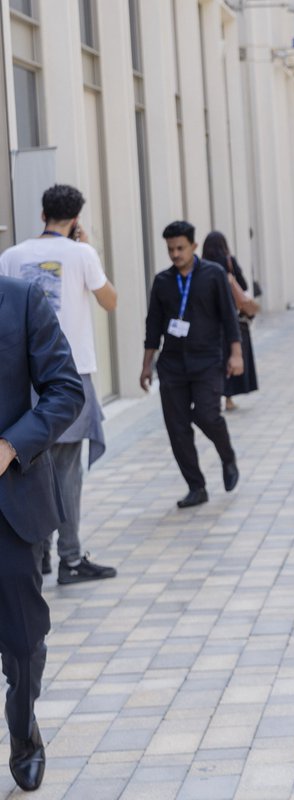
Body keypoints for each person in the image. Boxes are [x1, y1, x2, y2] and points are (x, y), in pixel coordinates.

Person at [0, 183, 118, 585]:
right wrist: (84, 247)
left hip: (19, 379)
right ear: (76, 218)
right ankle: (70, 557)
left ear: (42, 215)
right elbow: (110, 301)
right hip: (69, 373)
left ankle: (40, 553)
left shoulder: (11, 256)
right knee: (66, 472)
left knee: (26, 469)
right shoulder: (81, 252)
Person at [0, 275, 85, 791]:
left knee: (24, 639)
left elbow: (65, 389)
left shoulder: (21, 299)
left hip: (11, 499)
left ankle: (23, 730)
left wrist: (11, 445)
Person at [141, 221, 243, 509]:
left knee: (208, 415)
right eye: (170, 249)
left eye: (180, 248)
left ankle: (227, 456)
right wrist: (147, 365)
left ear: (194, 247)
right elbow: (153, 327)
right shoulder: (162, 281)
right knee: (177, 427)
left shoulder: (214, 275)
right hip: (172, 365)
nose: (175, 254)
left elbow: (228, 317)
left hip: (207, 360)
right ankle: (196, 487)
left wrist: (236, 354)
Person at [202, 232, 260, 410]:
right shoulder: (229, 261)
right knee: (233, 356)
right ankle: (228, 398)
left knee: (217, 359)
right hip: (233, 317)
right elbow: (243, 286)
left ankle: (215, 395)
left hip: (212, 319)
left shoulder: (203, 265)